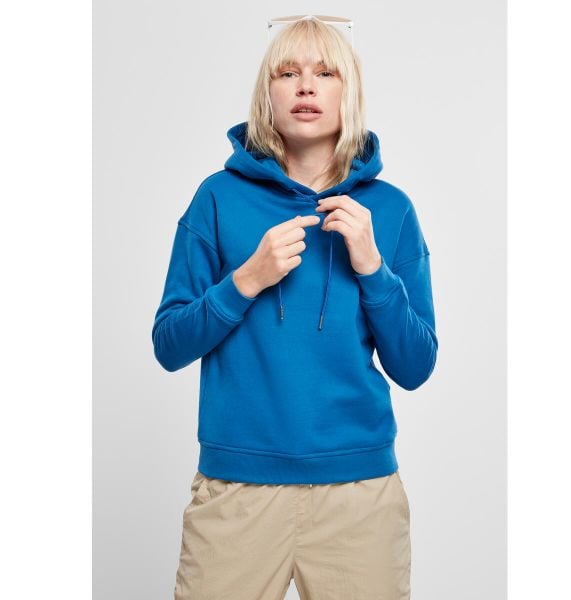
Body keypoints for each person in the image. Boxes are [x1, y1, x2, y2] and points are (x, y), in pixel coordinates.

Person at [151, 15, 438, 600]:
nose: (306, 86)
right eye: (288, 73)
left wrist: (372, 269)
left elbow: (416, 366)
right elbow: (169, 344)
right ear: (268, 93)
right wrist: (246, 280)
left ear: (348, 92)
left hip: (359, 495)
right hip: (236, 491)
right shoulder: (217, 198)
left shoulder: (390, 210)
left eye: (325, 73)